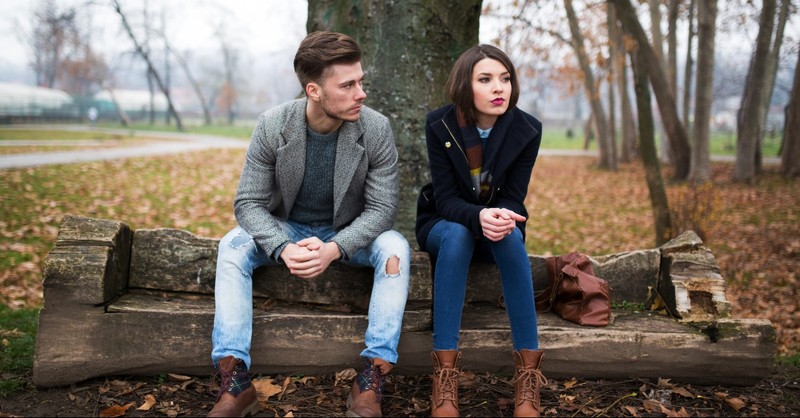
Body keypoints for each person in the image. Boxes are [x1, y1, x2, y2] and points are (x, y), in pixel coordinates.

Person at [208, 31, 411, 418]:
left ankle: (371, 377)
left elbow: (382, 209)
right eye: (348, 85)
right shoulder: (273, 126)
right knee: (231, 247)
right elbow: (248, 203)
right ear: (314, 90)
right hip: (287, 229)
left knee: (396, 250)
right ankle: (235, 380)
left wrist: (335, 248)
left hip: (348, 231)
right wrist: (283, 247)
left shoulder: (376, 129)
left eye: (361, 82)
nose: (361, 93)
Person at [415, 44, 546, 417]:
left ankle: (527, 381)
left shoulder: (526, 129)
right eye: (485, 79)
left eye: (505, 79)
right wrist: (478, 217)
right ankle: (444, 377)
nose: (498, 88)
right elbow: (445, 199)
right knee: (457, 235)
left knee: (511, 233)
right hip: (444, 222)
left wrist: (501, 217)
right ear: (465, 85)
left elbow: (516, 199)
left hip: (497, 225)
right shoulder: (439, 124)